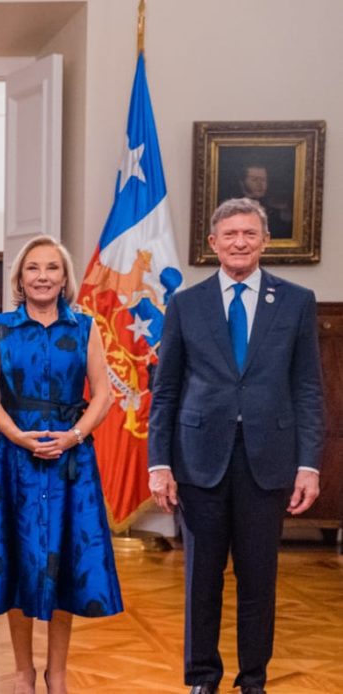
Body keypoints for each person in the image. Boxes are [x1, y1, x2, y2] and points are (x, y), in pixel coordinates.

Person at [149, 197, 324, 694]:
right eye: (230, 235)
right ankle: (202, 678)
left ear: (264, 241)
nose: (240, 242)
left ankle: (253, 680)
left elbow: (308, 387)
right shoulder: (185, 304)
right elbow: (166, 390)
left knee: (258, 583)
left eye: (250, 234)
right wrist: (158, 463)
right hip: (199, 462)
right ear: (213, 244)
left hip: (269, 465)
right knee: (202, 581)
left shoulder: (295, 301)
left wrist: (308, 465)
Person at [0, 234, 123, 694]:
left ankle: (58, 671)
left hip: (70, 460)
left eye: (52, 268)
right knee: (16, 558)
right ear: (20, 277)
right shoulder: (1, 326)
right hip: (12, 457)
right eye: (33, 268)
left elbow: (104, 394)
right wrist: (16, 436)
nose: (43, 276)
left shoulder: (85, 327)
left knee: (64, 561)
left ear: (64, 277)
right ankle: (22, 670)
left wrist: (73, 436)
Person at [236, 163, 292, 238]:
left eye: (263, 180)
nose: (260, 184)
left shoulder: (275, 211)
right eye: (254, 180)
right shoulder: (230, 210)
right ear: (242, 183)